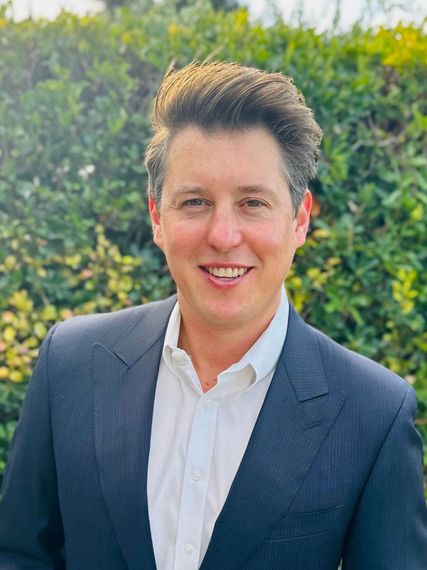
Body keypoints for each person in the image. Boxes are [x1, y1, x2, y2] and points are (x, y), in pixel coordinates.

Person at [0, 61, 426, 570]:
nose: (223, 235)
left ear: (299, 220)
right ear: (158, 216)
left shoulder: (374, 413)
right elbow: (20, 553)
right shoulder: (70, 363)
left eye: (252, 202)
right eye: (195, 201)